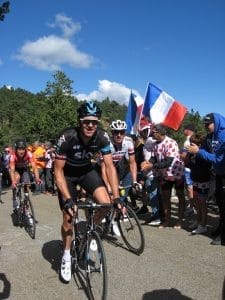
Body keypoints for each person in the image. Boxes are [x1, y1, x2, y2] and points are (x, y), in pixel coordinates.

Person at [54, 101, 120, 283]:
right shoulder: (67, 137)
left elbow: (109, 167)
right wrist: (68, 199)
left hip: (86, 172)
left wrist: (118, 197)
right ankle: (66, 254)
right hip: (67, 175)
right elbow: (57, 172)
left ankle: (89, 230)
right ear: (80, 121)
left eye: (94, 121)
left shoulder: (102, 137)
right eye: (86, 121)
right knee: (68, 217)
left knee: (106, 205)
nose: (90, 125)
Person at [187, 113, 225, 245]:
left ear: (216, 122)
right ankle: (221, 228)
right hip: (219, 175)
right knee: (220, 204)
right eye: (204, 124)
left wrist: (198, 152)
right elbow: (202, 151)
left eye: (208, 124)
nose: (205, 127)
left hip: (223, 171)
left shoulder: (223, 135)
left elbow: (217, 159)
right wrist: (191, 153)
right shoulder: (209, 136)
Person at [148, 124, 185, 228]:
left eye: (153, 132)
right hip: (164, 175)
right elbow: (153, 158)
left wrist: (152, 165)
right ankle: (167, 220)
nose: (151, 134)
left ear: (159, 133)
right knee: (165, 198)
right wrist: (147, 163)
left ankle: (180, 221)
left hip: (177, 173)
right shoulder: (155, 144)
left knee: (180, 196)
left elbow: (168, 162)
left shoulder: (171, 143)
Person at [185, 133, 211, 234]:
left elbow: (205, 167)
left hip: (203, 181)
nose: (190, 145)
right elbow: (191, 165)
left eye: (192, 144)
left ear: (199, 145)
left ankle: (203, 225)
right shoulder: (191, 153)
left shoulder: (204, 153)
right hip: (194, 180)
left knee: (202, 204)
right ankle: (198, 221)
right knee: (196, 203)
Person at [9, 139, 41, 212]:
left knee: (26, 183)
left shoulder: (29, 154)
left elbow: (35, 167)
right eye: (19, 149)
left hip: (24, 169)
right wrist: (13, 181)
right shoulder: (12, 156)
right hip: (15, 170)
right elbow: (12, 170)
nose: (22, 151)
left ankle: (26, 201)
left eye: (23, 149)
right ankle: (14, 198)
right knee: (16, 178)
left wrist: (37, 178)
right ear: (16, 149)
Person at [181, 124, 195, 217]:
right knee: (190, 188)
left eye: (184, 128)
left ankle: (192, 207)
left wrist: (178, 154)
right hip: (192, 168)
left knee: (190, 188)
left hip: (188, 168)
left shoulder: (188, 141)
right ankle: (192, 206)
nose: (183, 130)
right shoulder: (192, 139)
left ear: (189, 130)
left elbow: (185, 156)